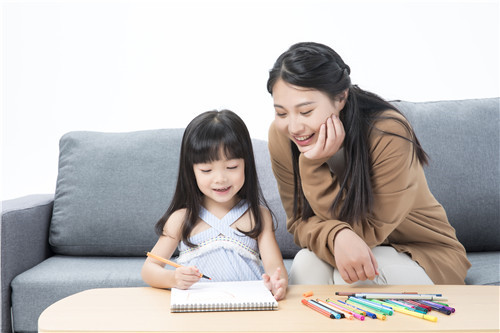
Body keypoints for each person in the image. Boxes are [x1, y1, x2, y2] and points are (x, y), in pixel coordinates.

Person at [266, 42, 470, 285]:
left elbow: (367, 232)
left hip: (423, 253)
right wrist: (337, 234)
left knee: (351, 278)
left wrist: (312, 166)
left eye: (306, 111)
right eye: (281, 113)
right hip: (351, 248)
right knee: (305, 266)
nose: (294, 127)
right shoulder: (283, 137)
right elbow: (299, 222)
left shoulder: (387, 131)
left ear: (341, 97)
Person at [142, 110, 288, 300]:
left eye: (232, 167)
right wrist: (173, 278)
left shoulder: (258, 216)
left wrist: (277, 283)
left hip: (247, 309)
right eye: (206, 170)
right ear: (191, 171)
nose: (220, 179)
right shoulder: (181, 219)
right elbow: (149, 269)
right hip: (198, 311)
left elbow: (276, 268)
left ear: (246, 164)